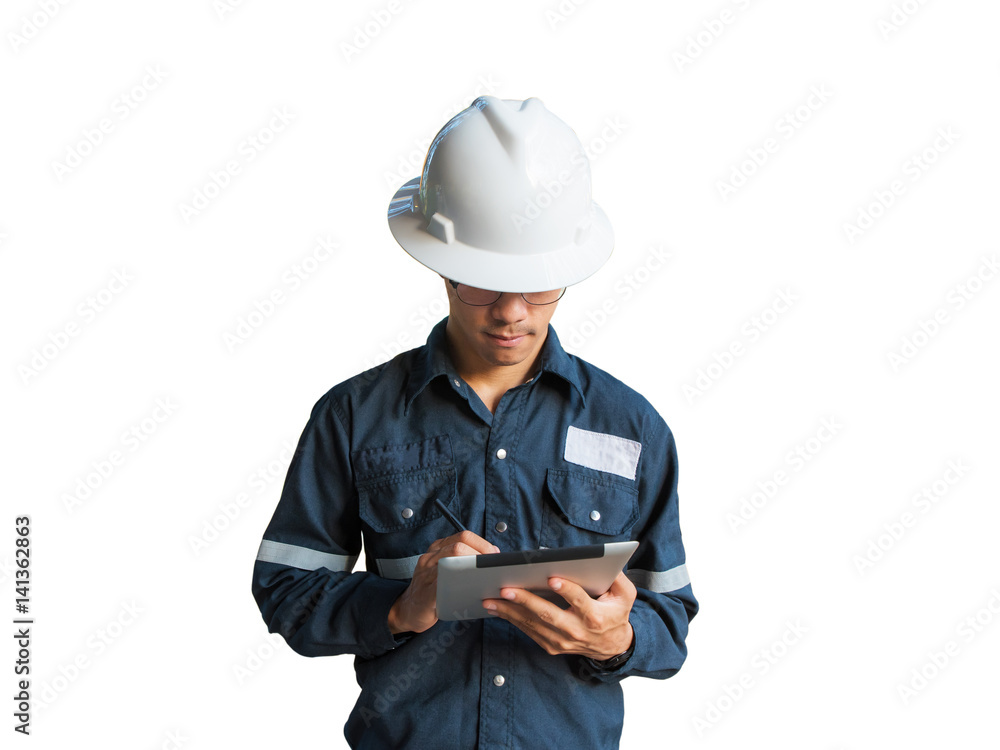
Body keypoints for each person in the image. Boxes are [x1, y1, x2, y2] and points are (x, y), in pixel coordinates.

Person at [251, 96, 698, 749]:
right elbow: (284, 588)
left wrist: (620, 638)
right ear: (442, 264)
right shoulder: (353, 416)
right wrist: (399, 609)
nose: (512, 312)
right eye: (484, 283)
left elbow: (672, 617)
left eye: (538, 284)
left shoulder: (633, 427)